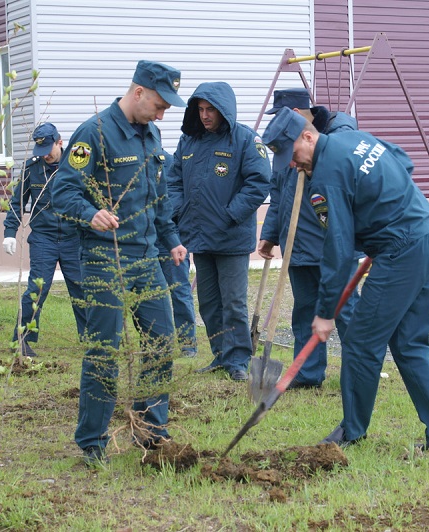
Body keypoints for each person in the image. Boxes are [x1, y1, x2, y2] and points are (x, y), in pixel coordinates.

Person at [261, 107, 429, 451]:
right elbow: (402, 162)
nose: (293, 164)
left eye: (293, 155)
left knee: (360, 341)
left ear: (308, 136)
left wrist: (325, 313)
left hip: (401, 251)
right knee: (409, 342)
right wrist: (382, 208)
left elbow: (339, 249)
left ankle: (352, 431)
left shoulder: (326, 176)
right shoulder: (356, 139)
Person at [51, 60, 187, 466]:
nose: (162, 115)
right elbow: (63, 193)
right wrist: (89, 212)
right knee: (104, 351)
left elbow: (157, 198)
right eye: (160, 105)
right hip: (104, 260)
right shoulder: (92, 134)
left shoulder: (152, 135)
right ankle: (92, 442)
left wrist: (172, 240)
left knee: (162, 342)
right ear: (139, 91)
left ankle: (150, 430)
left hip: (146, 258)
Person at [257, 88, 362, 390]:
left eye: (282, 115)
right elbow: (278, 195)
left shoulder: (334, 139)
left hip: (330, 243)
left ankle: (360, 369)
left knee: (344, 310)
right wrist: (270, 235)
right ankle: (308, 372)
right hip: (297, 245)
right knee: (304, 311)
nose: (278, 122)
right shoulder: (286, 150)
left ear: (299, 114)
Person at [170, 82, 271, 381]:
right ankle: (220, 354)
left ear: (223, 109)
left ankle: (238, 359)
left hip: (230, 236)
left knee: (234, 302)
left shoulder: (245, 140)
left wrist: (230, 215)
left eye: (210, 109)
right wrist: (178, 211)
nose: (204, 116)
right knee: (210, 302)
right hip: (199, 236)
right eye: (200, 110)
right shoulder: (189, 141)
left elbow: (258, 183)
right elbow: (173, 180)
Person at [2, 123, 87, 358]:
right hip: (43, 239)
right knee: (36, 289)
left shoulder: (77, 162)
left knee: (82, 287)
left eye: (49, 148)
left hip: (73, 237)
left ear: (60, 142)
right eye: (41, 151)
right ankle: (22, 340)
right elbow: (18, 201)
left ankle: (91, 338)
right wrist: (10, 231)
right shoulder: (32, 168)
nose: (46, 155)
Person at [157, 152, 197, 358]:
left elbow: (182, 196)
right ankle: (155, 342)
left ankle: (187, 344)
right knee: (149, 294)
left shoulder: (171, 163)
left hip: (171, 237)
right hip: (142, 238)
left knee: (179, 290)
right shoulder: (130, 160)